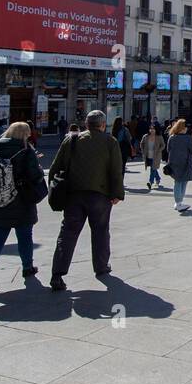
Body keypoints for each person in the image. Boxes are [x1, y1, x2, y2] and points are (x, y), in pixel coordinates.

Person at [48, 111, 124, 291]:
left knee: (67, 234)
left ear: (86, 124)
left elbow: (55, 168)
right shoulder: (109, 142)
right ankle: (101, 266)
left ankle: (57, 274)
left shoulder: (71, 140)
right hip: (100, 195)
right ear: (103, 125)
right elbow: (116, 171)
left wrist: (56, 190)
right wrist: (117, 194)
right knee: (100, 231)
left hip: (74, 196)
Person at [0, 121, 46, 293]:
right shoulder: (26, 150)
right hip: (21, 199)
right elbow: (34, 175)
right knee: (25, 236)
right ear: (24, 134)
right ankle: (27, 267)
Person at [165, 118, 192, 212]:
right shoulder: (187, 138)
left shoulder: (172, 137)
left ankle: (178, 202)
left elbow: (168, 149)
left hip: (173, 163)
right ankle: (179, 202)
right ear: (183, 128)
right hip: (185, 163)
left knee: (177, 182)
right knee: (183, 182)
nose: (187, 129)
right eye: (186, 127)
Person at [140, 124, 165, 190]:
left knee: (153, 168)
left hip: (156, 156)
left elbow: (163, 145)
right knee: (153, 168)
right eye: (150, 128)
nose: (151, 130)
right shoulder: (146, 136)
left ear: (156, 129)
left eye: (153, 129)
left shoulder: (159, 137)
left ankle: (150, 182)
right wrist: (143, 151)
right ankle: (158, 178)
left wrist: (159, 150)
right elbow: (141, 144)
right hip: (148, 156)